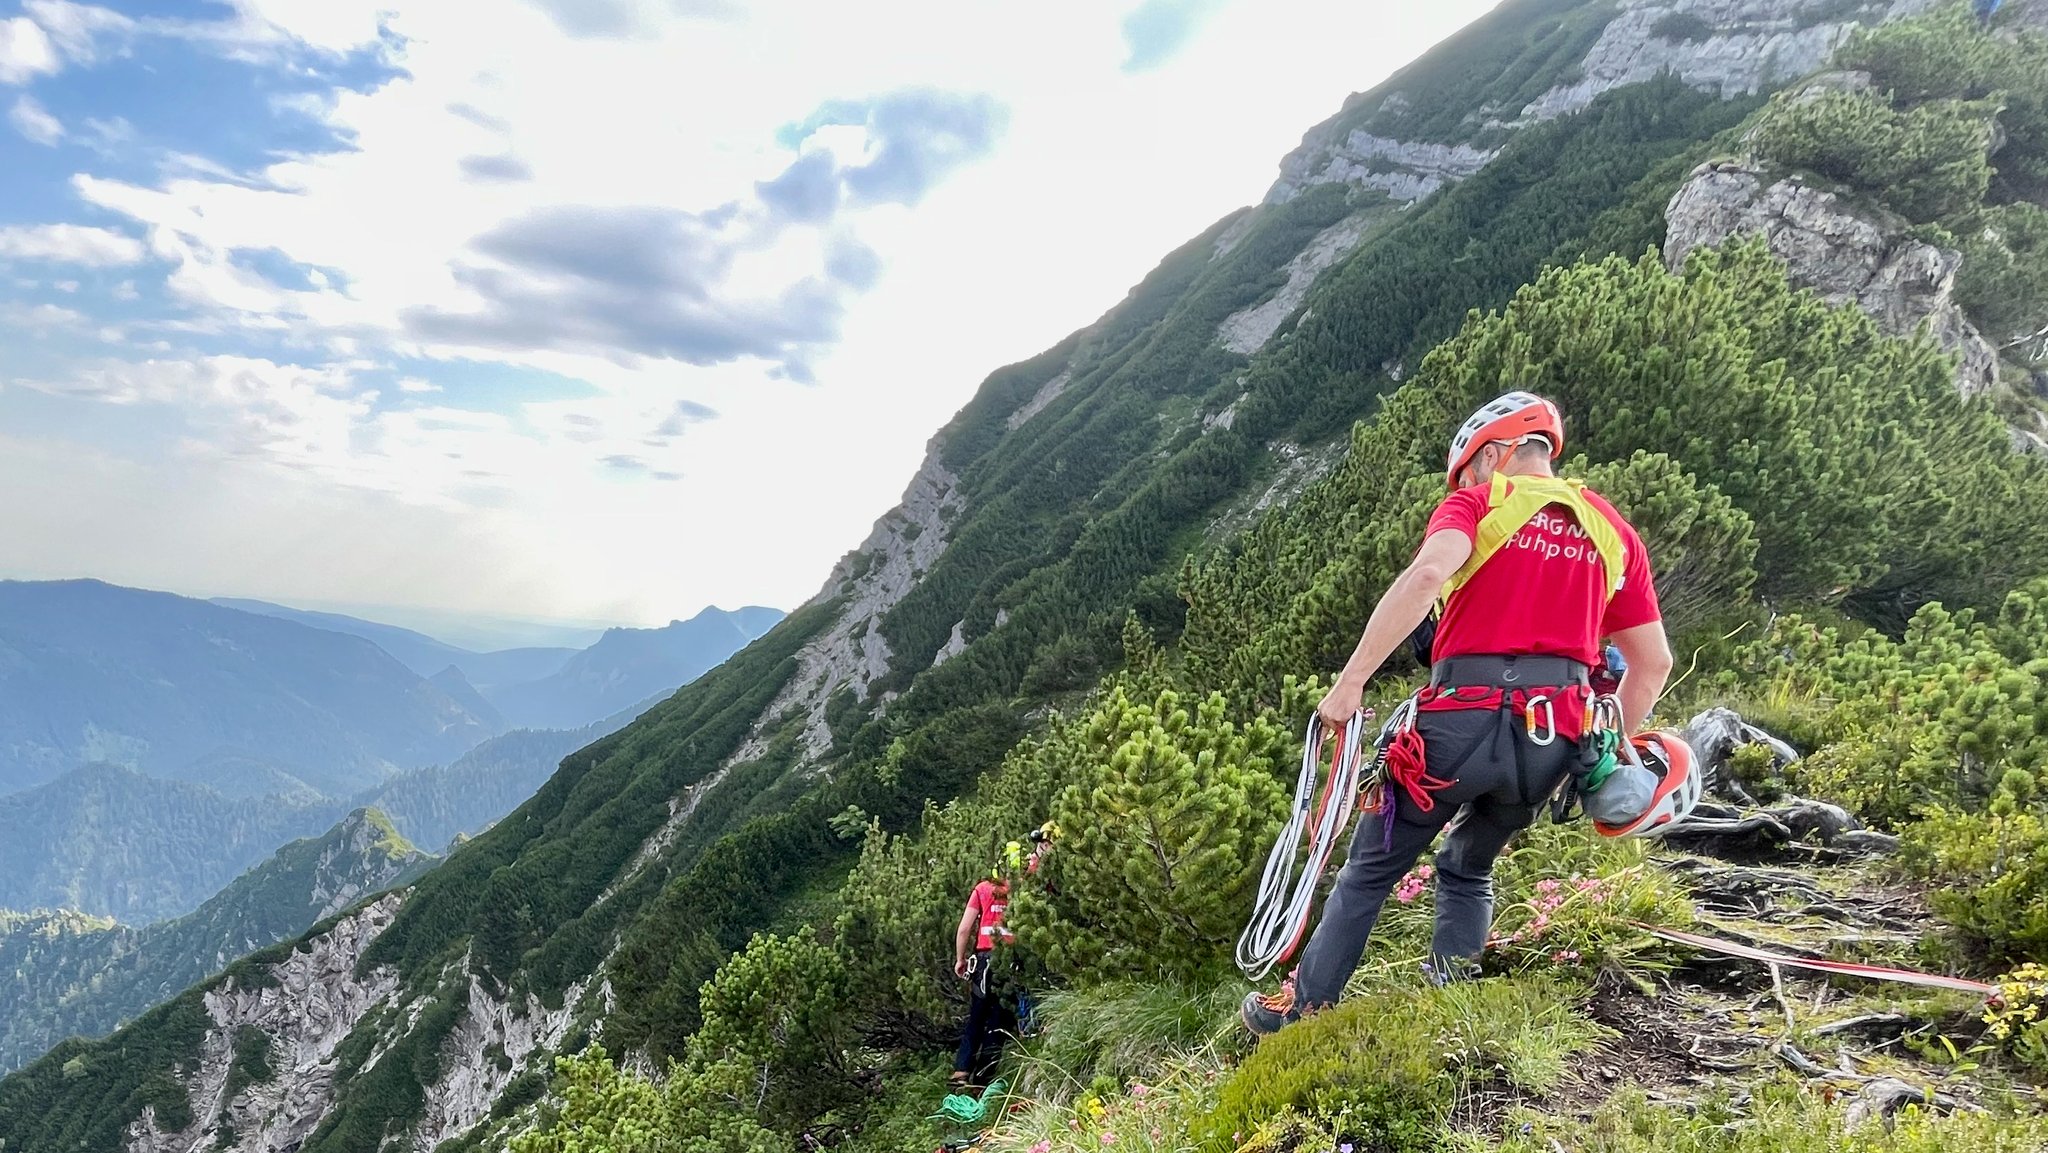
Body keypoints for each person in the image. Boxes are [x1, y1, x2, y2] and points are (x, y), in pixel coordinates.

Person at [1242, 391, 1674, 1036]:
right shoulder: (1612, 531)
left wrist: (1350, 682)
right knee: (1470, 865)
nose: (1469, 479)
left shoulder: (1477, 504)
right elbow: (1654, 662)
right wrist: (1605, 756)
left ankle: (1301, 1013)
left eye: (1471, 467)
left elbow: (1423, 580)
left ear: (1495, 452)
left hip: (1457, 727)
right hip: (1553, 737)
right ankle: (1456, 1005)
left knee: (1371, 871)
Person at [951, 853, 1018, 1085]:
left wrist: (961, 959)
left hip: (983, 960)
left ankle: (961, 1070)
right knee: (998, 1019)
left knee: (977, 1014)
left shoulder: (981, 889)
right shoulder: (1020, 890)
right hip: (1009, 960)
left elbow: (964, 928)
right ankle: (983, 1078)